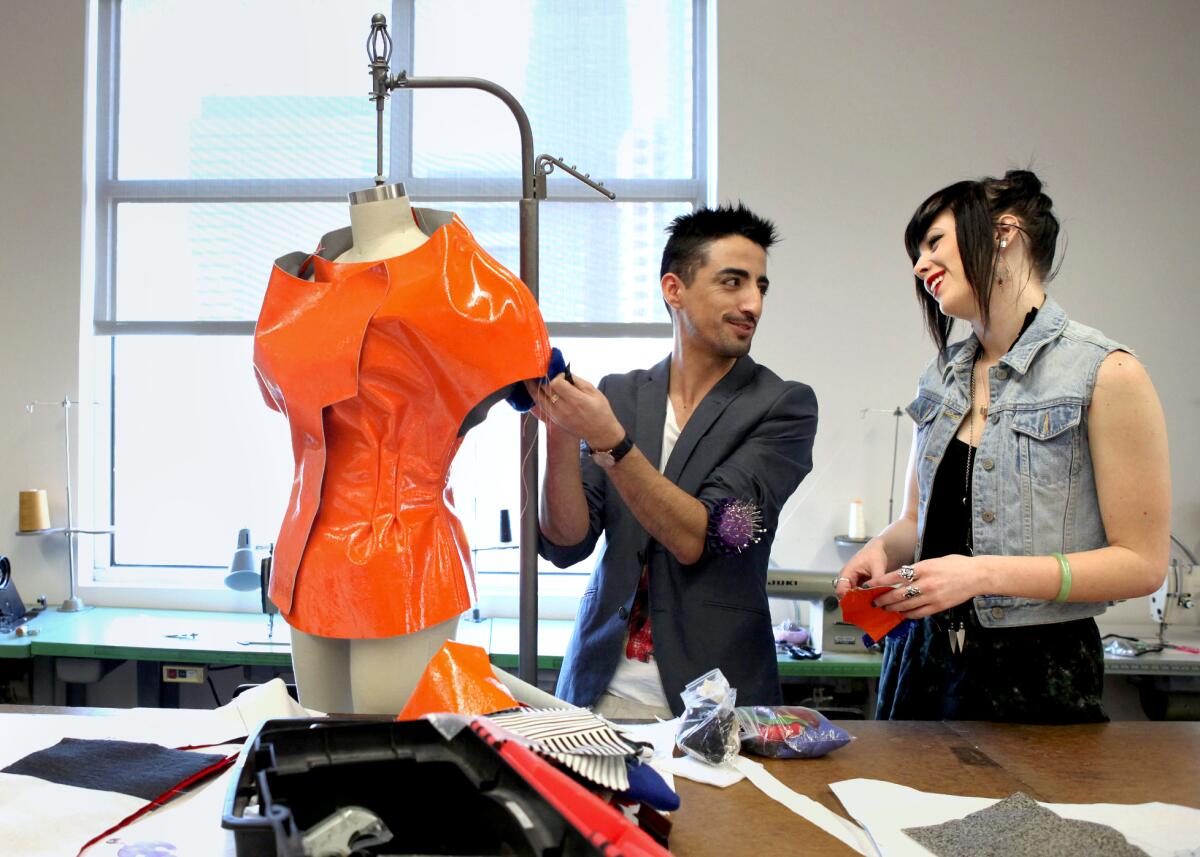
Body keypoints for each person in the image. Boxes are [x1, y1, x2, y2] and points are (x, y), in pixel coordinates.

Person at [836, 170, 1170, 722]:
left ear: (1003, 233)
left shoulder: (1105, 373)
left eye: (933, 242)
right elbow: (916, 521)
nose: (919, 266)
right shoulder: (939, 377)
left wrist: (981, 574)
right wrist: (883, 549)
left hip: (1039, 673)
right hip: (919, 661)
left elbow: (1140, 564)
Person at [255, 183, 561, 714]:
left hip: (404, 548)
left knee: (392, 743)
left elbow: (514, 361)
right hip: (308, 552)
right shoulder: (304, 281)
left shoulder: (470, 286)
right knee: (322, 742)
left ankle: (566, 728)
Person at [531, 203, 818, 719]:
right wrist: (557, 430)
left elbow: (696, 540)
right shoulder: (622, 394)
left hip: (715, 702)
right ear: (674, 289)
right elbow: (566, 542)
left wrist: (612, 445)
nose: (753, 302)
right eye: (733, 282)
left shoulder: (783, 406)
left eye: (761, 286)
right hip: (596, 691)